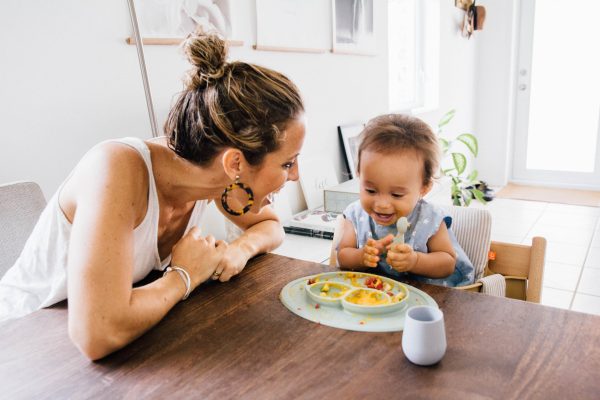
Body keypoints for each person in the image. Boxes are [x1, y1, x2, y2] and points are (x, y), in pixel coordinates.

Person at [0, 31, 305, 359]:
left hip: (101, 347)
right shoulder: (116, 169)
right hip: (20, 344)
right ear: (235, 163)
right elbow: (97, 334)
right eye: (287, 162)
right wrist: (185, 275)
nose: (296, 174)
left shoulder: (213, 178)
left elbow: (270, 227)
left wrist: (239, 250)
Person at [337, 114, 474, 287]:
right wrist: (361, 256)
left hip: (428, 298)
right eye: (371, 190)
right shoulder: (356, 214)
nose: (382, 204)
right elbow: (343, 256)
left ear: (424, 188)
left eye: (396, 195)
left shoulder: (429, 218)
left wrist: (415, 261)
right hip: (377, 296)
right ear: (358, 174)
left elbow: (447, 263)